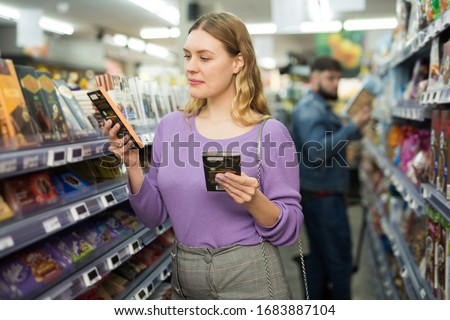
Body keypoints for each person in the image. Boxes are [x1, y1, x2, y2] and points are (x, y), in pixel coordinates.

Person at [104, 12, 303, 300]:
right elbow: (153, 215)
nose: (191, 67)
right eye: (187, 56)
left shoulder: (269, 133)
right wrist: (133, 165)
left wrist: (254, 201)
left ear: (238, 62)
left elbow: (290, 231)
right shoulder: (171, 127)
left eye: (204, 58)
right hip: (185, 273)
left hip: (250, 276)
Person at [291, 56, 371, 299]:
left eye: (338, 78)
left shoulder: (321, 108)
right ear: (314, 78)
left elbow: (329, 143)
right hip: (322, 199)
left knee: (322, 259)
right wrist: (350, 127)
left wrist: (353, 130)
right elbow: (316, 152)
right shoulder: (309, 110)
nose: (335, 83)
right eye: (330, 78)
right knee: (339, 263)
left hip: (325, 194)